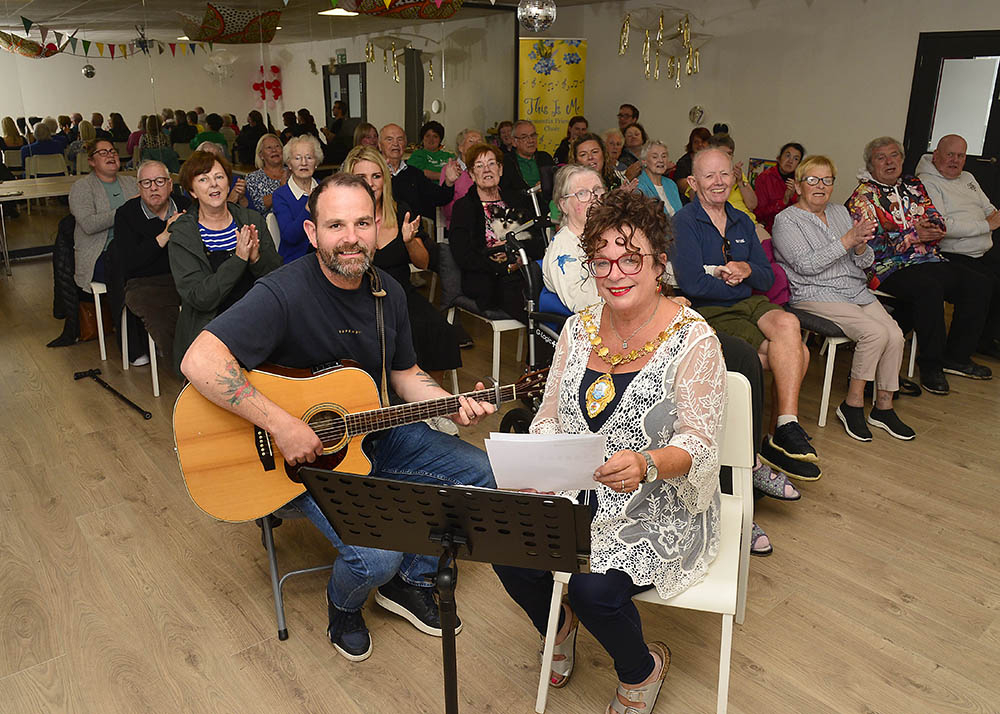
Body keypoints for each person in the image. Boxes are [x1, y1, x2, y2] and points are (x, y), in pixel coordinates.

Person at [179, 171, 496, 661]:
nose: (351, 238)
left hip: (370, 430)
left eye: (362, 223)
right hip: (293, 460)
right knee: (374, 559)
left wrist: (453, 405)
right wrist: (282, 424)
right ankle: (344, 607)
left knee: (482, 476)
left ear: (377, 228)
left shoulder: (386, 291)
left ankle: (413, 580)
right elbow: (199, 360)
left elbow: (406, 372)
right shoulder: (282, 292)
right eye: (336, 225)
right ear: (312, 234)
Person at [494, 189, 725, 714]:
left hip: (658, 499)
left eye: (631, 259)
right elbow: (550, 413)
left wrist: (647, 463)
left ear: (659, 263)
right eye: (602, 262)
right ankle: (559, 625)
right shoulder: (578, 328)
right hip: (577, 486)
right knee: (506, 548)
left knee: (593, 588)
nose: (616, 273)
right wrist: (537, 456)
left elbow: (699, 442)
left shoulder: (694, 340)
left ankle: (642, 669)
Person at [672, 147, 819, 480]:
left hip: (748, 301)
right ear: (694, 182)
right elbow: (693, 284)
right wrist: (739, 284)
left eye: (725, 174)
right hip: (711, 310)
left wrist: (746, 269)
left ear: (734, 177)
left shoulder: (741, 220)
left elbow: (768, 276)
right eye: (709, 176)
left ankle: (785, 425)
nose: (718, 182)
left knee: (788, 322)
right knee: (799, 353)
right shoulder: (684, 222)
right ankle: (768, 441)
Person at [772, 155, 915, 441]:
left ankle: (883, 408)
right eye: (812, 180)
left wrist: (860, 247)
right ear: (799, 186)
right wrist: (847, 241)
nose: (820, 186)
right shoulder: (785, 220)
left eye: (827, 180)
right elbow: (805, 265)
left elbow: (864, 262)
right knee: (874, 333)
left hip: (855, 289)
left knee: (895, 334)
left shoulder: (840, 212)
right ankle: (852, 405)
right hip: (815, 293)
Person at [846, 136, 992, 393]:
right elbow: (871, 245)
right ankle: (931, 364)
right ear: (870, 165)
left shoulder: (914, 184)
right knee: (929, 289)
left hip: (927, 258)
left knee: (977, 284)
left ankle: (955, 357)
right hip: (886, 267)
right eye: (882, 158)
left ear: (902, 159)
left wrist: (933, 227)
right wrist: (914, 235)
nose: (890, 161)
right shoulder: (863, 197)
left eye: (894, 155)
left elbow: (934, 215)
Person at [344, 145, 462, 384]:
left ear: (385, 179)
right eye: (361, 177)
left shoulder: (400, 212)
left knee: (438, 329)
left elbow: (424, 262)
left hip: (399, 293)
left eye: (376, 176)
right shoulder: (340, 219)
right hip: (358, 297)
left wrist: (409, 241)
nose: (370, 183)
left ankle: (432, 407)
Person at [167, 150, 281, 373]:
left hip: (256, 320)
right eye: (203, 179)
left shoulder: (251, 219)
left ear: (228, 183)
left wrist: (256, 258)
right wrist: (239, 259)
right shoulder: (183, 234)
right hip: (209, 329)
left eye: (219, 177)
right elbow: (200, 297)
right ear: (191, 191)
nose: (214, 185)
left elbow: (277, 279)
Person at [917, 133, 1000, 359]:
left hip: (980, 248)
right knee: (983, 285)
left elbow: (989, 207)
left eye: (960, 156)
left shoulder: (968, 177)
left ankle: (984, 340)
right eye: (950, 154)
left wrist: (989, 220)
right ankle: (956, 355)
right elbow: (944, 226)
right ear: (936, 156)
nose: (955, 160)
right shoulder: (927, 182)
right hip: (951, 252)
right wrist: (985, 225)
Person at [450, 143, 544, 322]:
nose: (487, 170)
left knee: (548, 294)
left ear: (500, 169)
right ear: (471, 174)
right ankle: (544, 340)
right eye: (479, 166)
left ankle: (545, 341)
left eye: (492, 164)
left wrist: (518, 255)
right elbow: (463, 255)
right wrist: (504, 265)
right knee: (531, 310)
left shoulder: (517, 200)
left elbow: (538, 241)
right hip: (489, 276)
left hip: (524, 268)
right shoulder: (464, 207)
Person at [112, 160, 191, 366]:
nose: (153, 187)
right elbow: (130, 263)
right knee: (162, 319)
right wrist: (165, 235)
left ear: (170, 185)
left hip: (187, 277)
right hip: (146, 283)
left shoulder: (187, 206)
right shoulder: (126, 214)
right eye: (146, 183)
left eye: (159, 181)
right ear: (138, 188)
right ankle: (186, 369)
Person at [69, 140, 139, 296]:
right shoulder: (82, 187)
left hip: (132, 249)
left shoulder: (132, 183)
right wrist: (126, 210)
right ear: (91, 162)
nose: (110, 155)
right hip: (100, 254)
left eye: (113, 151)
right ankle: (124, 318)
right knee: (138, 273)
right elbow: (89, 224)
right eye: (103, 153)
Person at [543, 165, 607, 311]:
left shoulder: (609, 236)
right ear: (563, 205)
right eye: (582, 193)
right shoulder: (564, 246)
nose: (594, 198)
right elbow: (585, 305)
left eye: (597, 190)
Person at [380, 123, 459, 222]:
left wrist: (449, 182)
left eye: (400, 139)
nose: (395, 144)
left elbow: (439, 197)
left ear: (405, 144)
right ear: (380, 145)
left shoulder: (414, 173)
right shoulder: (374, 173)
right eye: (389, 139)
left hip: (413, 231)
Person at [272, 134, 321, 262]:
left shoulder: (325, 189)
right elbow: (290, 236)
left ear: (316, 162)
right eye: (297, 158)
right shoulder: (281, 195)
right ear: (289, 164)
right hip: (295, 261)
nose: (304, 163)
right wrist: (308, 208)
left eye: (309, 157)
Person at [500, 120, 555, 207]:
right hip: (521, 210)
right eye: (524, 137)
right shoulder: (506, 162)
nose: (531, 140)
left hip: (548, 206)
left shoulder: (545, 158)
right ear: (514, 142)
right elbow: (506, 192)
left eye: (533, 135)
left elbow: (557, 183)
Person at [754, 142, 805, 232]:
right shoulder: (764, 178)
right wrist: (784, 201)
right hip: (769, 229)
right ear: (779, 158)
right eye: (787, 156)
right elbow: (759, 214)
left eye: (796, 159)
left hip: (793, 229)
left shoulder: (800, 180)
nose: (790, 161)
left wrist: (795, 196)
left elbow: (804, 211)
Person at [440, 128, 483, 228]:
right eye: (471, 141)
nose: (476, 145)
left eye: (479, 141)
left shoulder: (487, 169)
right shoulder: (450, 169)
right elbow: (448, 211)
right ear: (461, 147)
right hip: (461, 225)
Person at [244, 133, 289, 215]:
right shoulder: (252, 178)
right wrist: (281, 189)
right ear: (261, 155)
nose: (274, 150)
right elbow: (257, 207)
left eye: (277, 146)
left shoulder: (293, 173)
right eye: (269, 148)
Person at [636, 141, 682, 216]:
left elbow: (681, 214)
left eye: (664, 156)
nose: (661, 160)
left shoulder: (671, 184)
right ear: (644, 161)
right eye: (655, 157)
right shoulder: (639, 187)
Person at [672, 127, 711, 201]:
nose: (700, 145)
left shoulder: (713, 160)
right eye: (696, 142)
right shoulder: (683, 163)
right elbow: (682, 186)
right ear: (691, 144)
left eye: (703, 142)